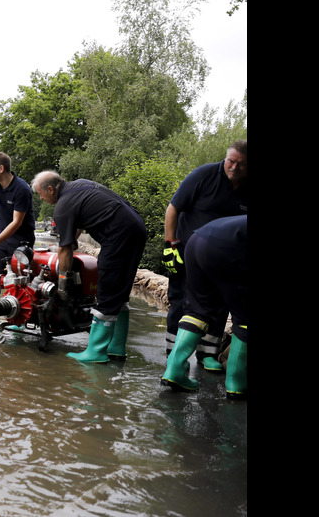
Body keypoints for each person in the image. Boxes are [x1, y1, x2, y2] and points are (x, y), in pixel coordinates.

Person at [32, 171, 147, 362]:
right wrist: (65, 243)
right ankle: (116, 347)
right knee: (119, 292)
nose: (42, 198)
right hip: (135, 228)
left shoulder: (62, 206)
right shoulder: (79, 186)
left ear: (50, 189)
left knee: (107, 290)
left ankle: (96, 353)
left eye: (41, 194)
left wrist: (62, 285)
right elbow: (74, 231)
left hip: (118, 235)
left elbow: (66, 249)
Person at [163, 141, 248, 372]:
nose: (234, 167)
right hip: (187, 252)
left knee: (220, 303)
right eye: (231, 161)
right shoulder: (204, 175)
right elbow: (173, 209)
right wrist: (169, 246)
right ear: (225, 157)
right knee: (181, 300)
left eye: (241, 164)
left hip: (225, 259)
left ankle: (206, 354)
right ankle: (173, 353)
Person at [161, 215, 247, 398]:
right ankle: (237, 384)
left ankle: (174, 371)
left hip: (197, 241)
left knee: (197, 310)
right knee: (245, 317)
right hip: (230, 247)